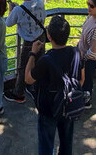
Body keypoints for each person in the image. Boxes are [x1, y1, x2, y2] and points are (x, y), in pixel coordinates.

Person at [25, 16, 83, 155]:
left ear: (49, 36)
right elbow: (81, 79)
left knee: (46, 144)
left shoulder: (46, 60)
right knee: (67, 143)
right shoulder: (76, 53)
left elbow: (28, 79)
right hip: (69, 105)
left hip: (49, 109)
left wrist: (33, 53)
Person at [4, 0, 46, 103]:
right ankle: (35, 88)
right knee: (39, 63)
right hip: (41, 38)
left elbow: (8, 23)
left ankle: (18, 94)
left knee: (23, 67)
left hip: (29, 42)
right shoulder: (40, 3)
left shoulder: (18, 10)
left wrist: (12, 10)